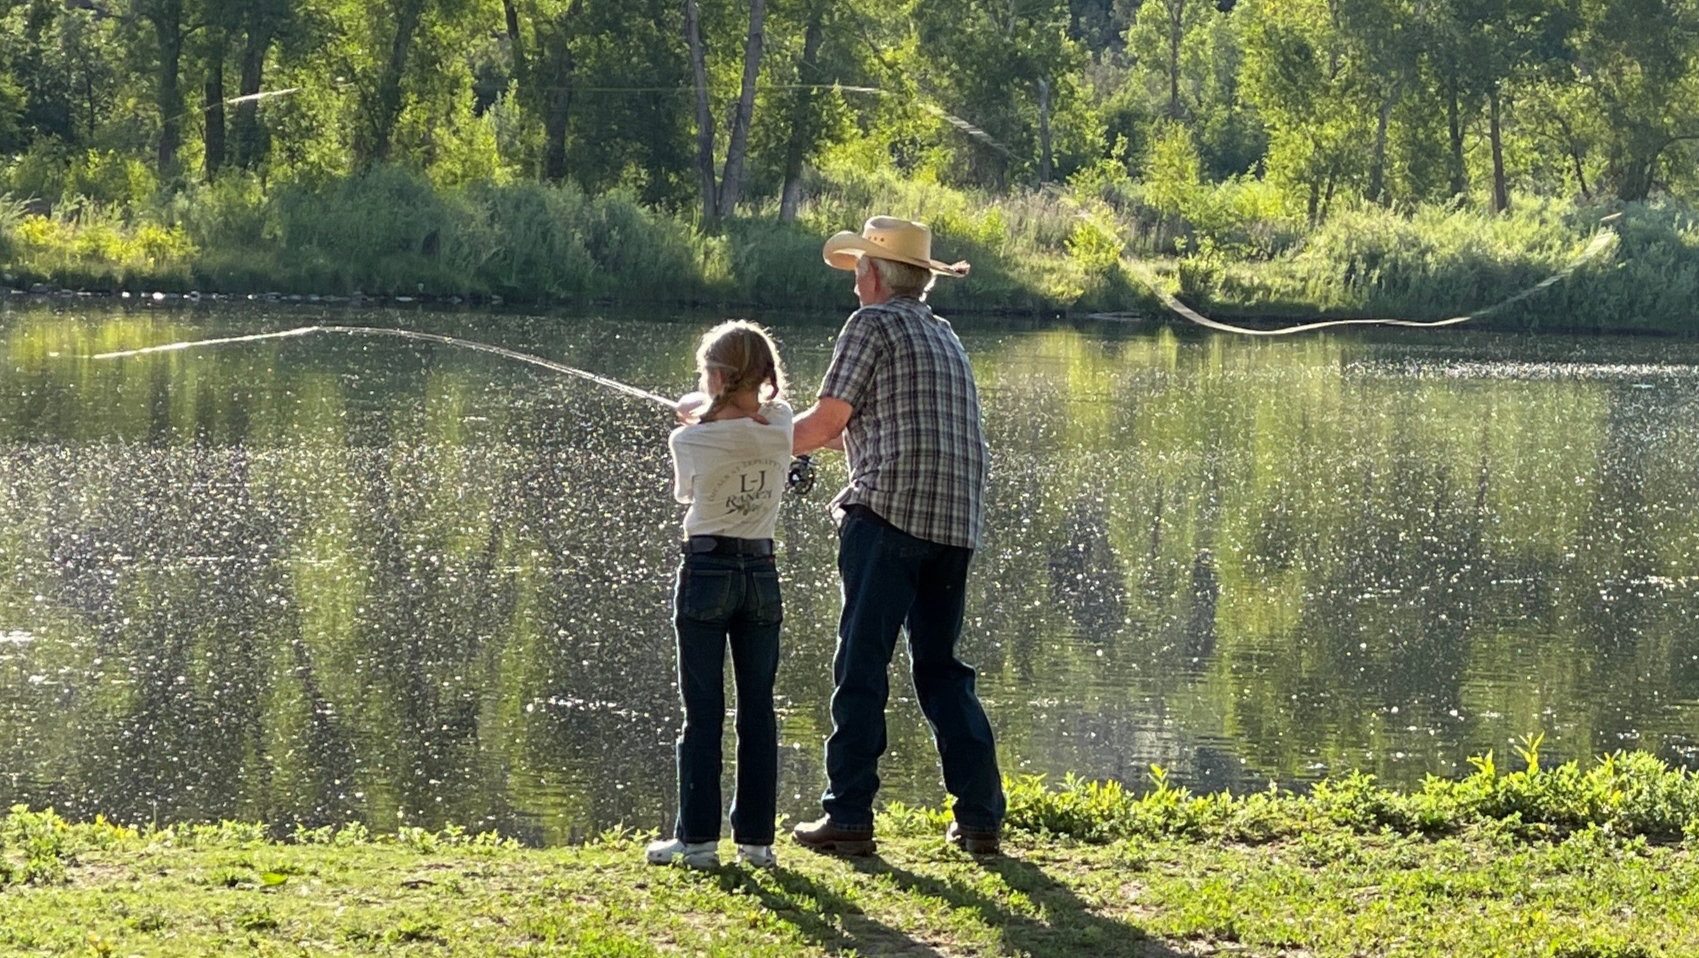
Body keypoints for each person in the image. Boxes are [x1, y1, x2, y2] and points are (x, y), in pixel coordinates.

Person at [789, 216, 1006, 856]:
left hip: (888, 515)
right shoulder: (943, 335)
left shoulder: (871, 324)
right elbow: (848, 429)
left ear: (874, 273)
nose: (855, 284)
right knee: (941, 670)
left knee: (861, 665)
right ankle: (980, 817)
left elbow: (825, 421)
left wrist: (741, 428)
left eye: (859, 269)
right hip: (956, 525)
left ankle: (848, 816)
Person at [644, 320, 793, 870]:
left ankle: (698, 840)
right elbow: (758, 411)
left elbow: (687, 489)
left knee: (702, 710)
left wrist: (699, 411)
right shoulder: (781, 426)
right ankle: (757, 842)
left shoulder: (688, 439)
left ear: (718, 375)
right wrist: (706, 401)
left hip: (706, 570)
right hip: (761, 571)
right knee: (758, 710)